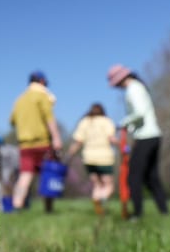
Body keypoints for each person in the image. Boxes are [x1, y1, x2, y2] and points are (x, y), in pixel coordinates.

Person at [108, 65, 169, 218]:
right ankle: (164, 212)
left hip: (145, 137)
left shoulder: (133, 89)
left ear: (122, 79)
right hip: (154, 135)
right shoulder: (139, 87)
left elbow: (140, 112)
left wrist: (123, 123)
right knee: (151, 177)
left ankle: (137, 214)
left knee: (133, 176)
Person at [9, 71, 62, 212]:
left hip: (25, 144)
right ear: (42, 81)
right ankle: (48, 209)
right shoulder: (42, 95)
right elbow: (49, 118)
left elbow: (12, 121)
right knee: (48, 175)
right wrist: (56, 137)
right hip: (42, 143)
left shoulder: (20, 100)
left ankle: (17, 205)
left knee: (25, 176)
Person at [66, 103, 119, 215]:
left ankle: (97, 204)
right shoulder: (106, 121)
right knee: (108, 185)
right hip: (104, 157)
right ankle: (102, 201)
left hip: (89, 158)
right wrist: (122, 145)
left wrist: (69, 154)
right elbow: (111, 139)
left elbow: (78, 142)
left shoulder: (85, 122)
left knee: (97, 185)